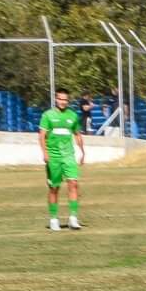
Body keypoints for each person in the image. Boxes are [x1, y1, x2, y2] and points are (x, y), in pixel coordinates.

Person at [41, 86, 85, 231]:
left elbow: (77, 134)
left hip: (69, 155)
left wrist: (82, 152)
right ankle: (54, 219)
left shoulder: (72, 116)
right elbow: (41, 136)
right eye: (60, 99)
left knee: (73, 184)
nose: (62, 102)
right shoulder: (47, 115)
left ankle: (73, 218)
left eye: (65, 100)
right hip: (54, 156)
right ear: (56, 99)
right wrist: (45, 153)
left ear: (68, 101)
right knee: (54, 187)